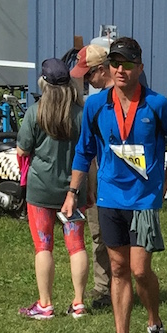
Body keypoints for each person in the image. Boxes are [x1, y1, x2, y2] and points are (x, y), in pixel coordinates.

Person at [62, 35, 167, 333]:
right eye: (115, 63)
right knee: (118, 270)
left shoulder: (156, 104)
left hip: (144, 201)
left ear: (139, 68)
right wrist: (72, 192)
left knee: (141, 270)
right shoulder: (96, 105)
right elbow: (84, 150)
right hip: (109, 200)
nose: (120, 70)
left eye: (127, 64)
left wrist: (165, 180)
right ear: (109, 67)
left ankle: (154, 327)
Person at [16, 58, 88, 320]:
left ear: (43, 83)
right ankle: (79, 302)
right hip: (73, 189)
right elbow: (89, 155)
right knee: (76, 246)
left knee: (43, 246)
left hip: (40, 190)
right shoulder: (81, 114)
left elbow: (23, 149)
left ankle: (45, 304)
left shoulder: (35, 112)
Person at [71, 42, 113, 310]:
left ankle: (114, 286)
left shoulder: (117, 98)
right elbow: (84, 149)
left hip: (118, 178)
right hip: (98, 174)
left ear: (101, 70)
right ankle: (104, 287)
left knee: (116, 237)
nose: (87, 81)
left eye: (88, 76)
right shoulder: (94, 103)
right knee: (99, 234)